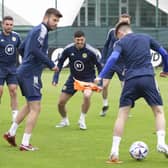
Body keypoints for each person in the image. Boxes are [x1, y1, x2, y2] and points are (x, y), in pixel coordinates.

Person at [95, 22, 168, 163]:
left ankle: (114, 152)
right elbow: (164, 53)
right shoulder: (146, 37)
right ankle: (161, 142)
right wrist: (165, 69)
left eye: (117, 37)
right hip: (148, 78)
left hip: (130, 80)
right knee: (158, 111)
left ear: (120, 33)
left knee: (122, 115)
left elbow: (113, 58)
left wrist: (101, 75)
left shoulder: (120, 43)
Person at [3, 8, 62, 151]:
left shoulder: (34, 30)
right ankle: (25, 143)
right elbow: (35, 50)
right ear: (46, 17)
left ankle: (11, 133)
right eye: (54, 20)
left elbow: (22, 48)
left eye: (57, 21)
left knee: (30, 105)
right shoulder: (42, 30)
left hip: (25, 71)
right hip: (30, 74)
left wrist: (28, 63)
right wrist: (50, 64)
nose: (56, 24)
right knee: (36, 108)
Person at [52, 30, 102, 130]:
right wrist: (55, 78)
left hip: (88, 79)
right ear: (74, 39)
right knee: (60, 103)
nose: (79, 42)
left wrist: (100, 81)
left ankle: (82, 120)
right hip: (74, 79)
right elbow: (60, 63)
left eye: (81, 40)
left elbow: (100, 66)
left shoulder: (91, 51)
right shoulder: (68, 49)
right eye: (77, 40)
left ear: (85, 39)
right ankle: (64, 120)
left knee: (87, 96)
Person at [100, 14, 131, 116]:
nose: (124, 23)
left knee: (125, 87)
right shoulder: (112, 32)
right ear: (119, 21)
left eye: (126, 22)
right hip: (110, 63)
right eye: (122, 21)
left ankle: (125, 108)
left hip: (122, 64)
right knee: (104, 85)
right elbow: (105, 45)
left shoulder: (131, 35)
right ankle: (105, 105)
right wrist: (103, 60)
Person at [0, 16, 21, 122]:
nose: (9, 26)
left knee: (13, 91)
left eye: (11, 24)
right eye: (7, 24)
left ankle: (15, 116)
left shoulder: (16, 36)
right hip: (0, 68)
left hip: (12, 68)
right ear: (2, 25)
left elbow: (21, 50)